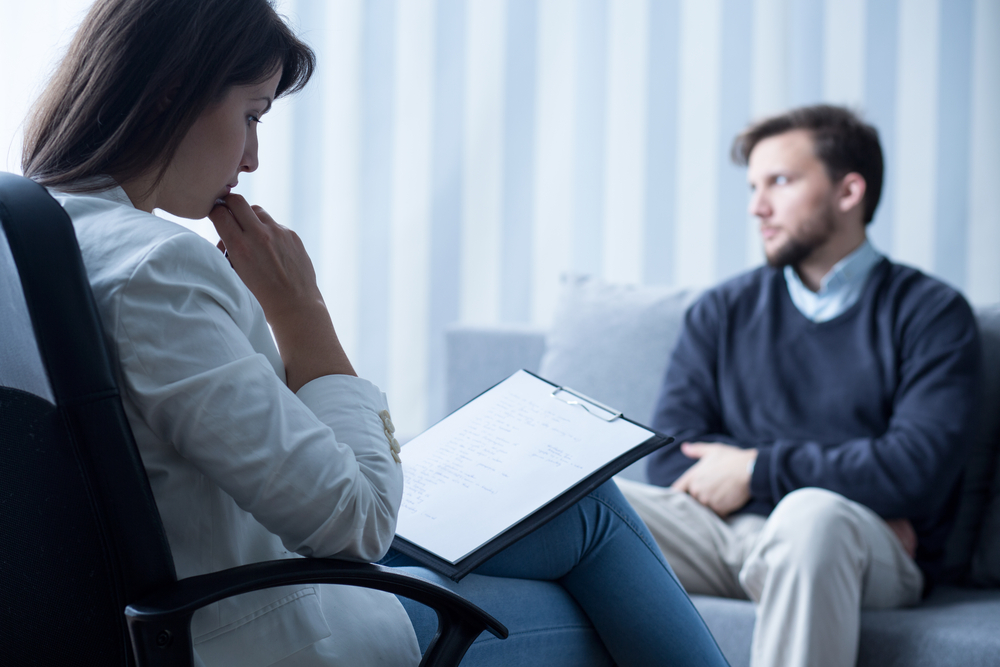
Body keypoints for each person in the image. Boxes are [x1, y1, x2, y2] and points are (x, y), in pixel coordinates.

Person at [21, 1, 729, 666]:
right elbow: (354, 524)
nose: (252, 158)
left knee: (584, 506)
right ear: (172, 92)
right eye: (251, 115)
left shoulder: (45, 239)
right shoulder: (156, 270)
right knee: (594, 586)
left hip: (230, 582)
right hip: (273, 628)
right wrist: (302, 313)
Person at [616, 104, 981, 667]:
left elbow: (915, 470)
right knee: (581, 503)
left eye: (780, 182)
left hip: (860, 547)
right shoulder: (722, 310)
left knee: (812, 518)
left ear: (848, 192)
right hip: (727, 535)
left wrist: (754, 470)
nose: (757, 207)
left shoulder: (930, 313)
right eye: (754, 186)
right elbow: (668, 459)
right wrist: (840, 480)